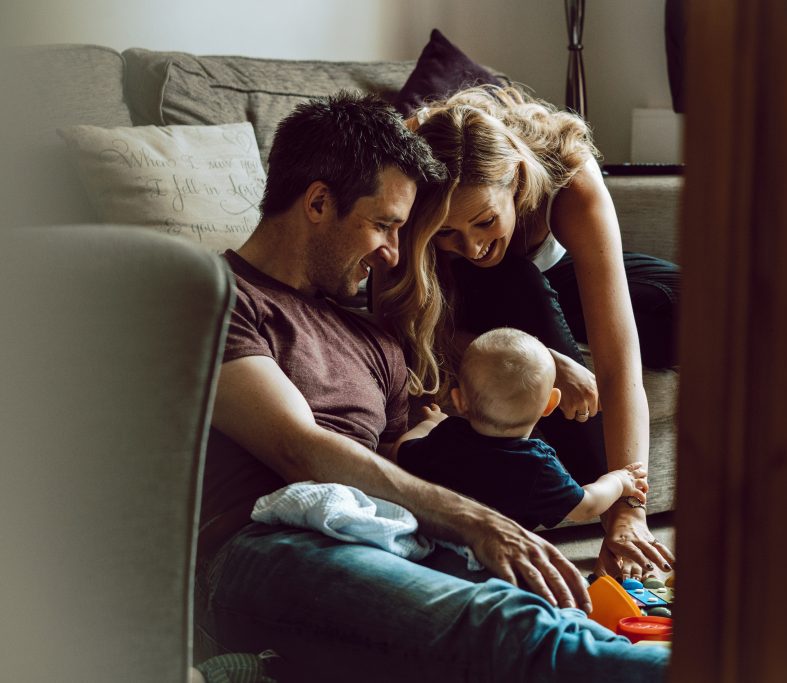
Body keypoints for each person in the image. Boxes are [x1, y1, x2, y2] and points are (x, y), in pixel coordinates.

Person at [195, 91, 669, 682]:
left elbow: (415, 457)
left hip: (378, 542)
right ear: (318, 202)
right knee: (509, 631)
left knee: (555, 615)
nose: (395, 253)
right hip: (265, 548)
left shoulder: (372, 339)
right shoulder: (214, 295)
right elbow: (299, 446)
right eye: (383, 225)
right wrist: (476, 522)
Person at [377, 85, 679, 581]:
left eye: (484, 221)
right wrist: (543, 358)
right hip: (493, 300)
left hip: (564, 278)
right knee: (515, 277)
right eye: (447, 234)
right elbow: (398, 324)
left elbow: (617, 358)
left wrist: (632, 515)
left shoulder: (569, 175)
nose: (472, 246)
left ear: (516, 179)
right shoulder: (408, 174)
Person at [395, 327, 650, 531]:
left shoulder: (446, 437)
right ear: (550, 405)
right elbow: (586, 506)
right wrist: (618, 480)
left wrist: (429, 424)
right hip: (503, 559)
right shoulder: (538, 466)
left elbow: (401, 450)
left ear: (460, 401)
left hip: (440, 543)